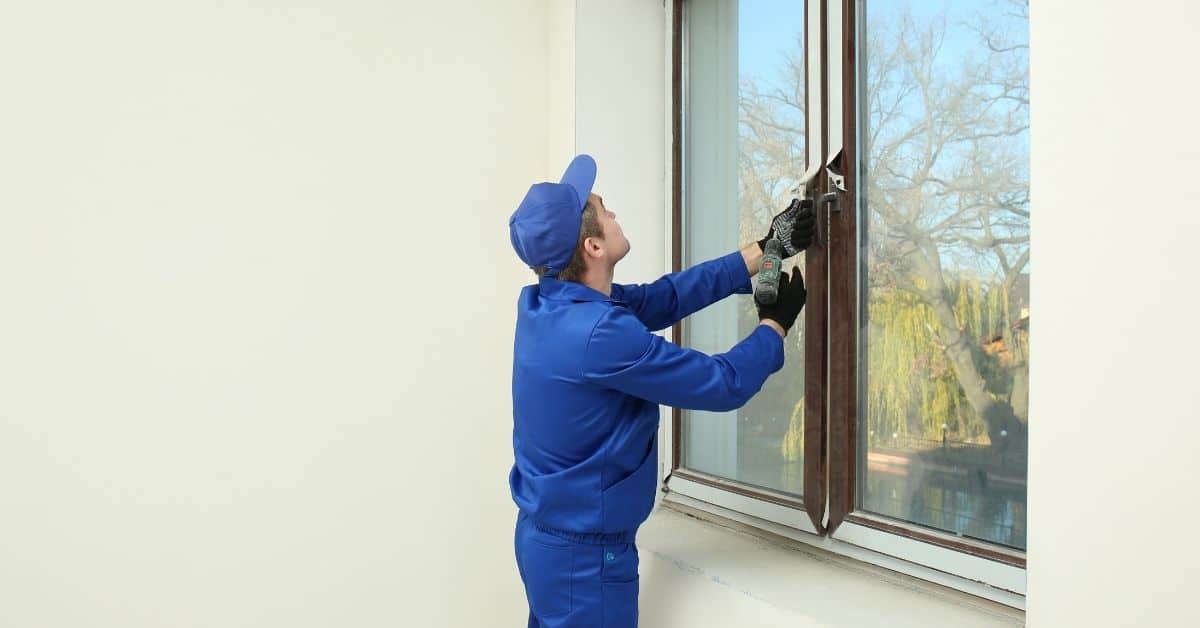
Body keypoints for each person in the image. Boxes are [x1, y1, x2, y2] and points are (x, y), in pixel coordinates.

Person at [507, 154, 814, 627]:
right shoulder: (597, 335)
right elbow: (721, 384)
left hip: (547, 542)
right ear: (592, 246)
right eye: (604, 210)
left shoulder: (549, 304)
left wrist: (765, 248)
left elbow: (667, 296)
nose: (614, 215)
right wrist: (774, 326)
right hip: (585, 560)